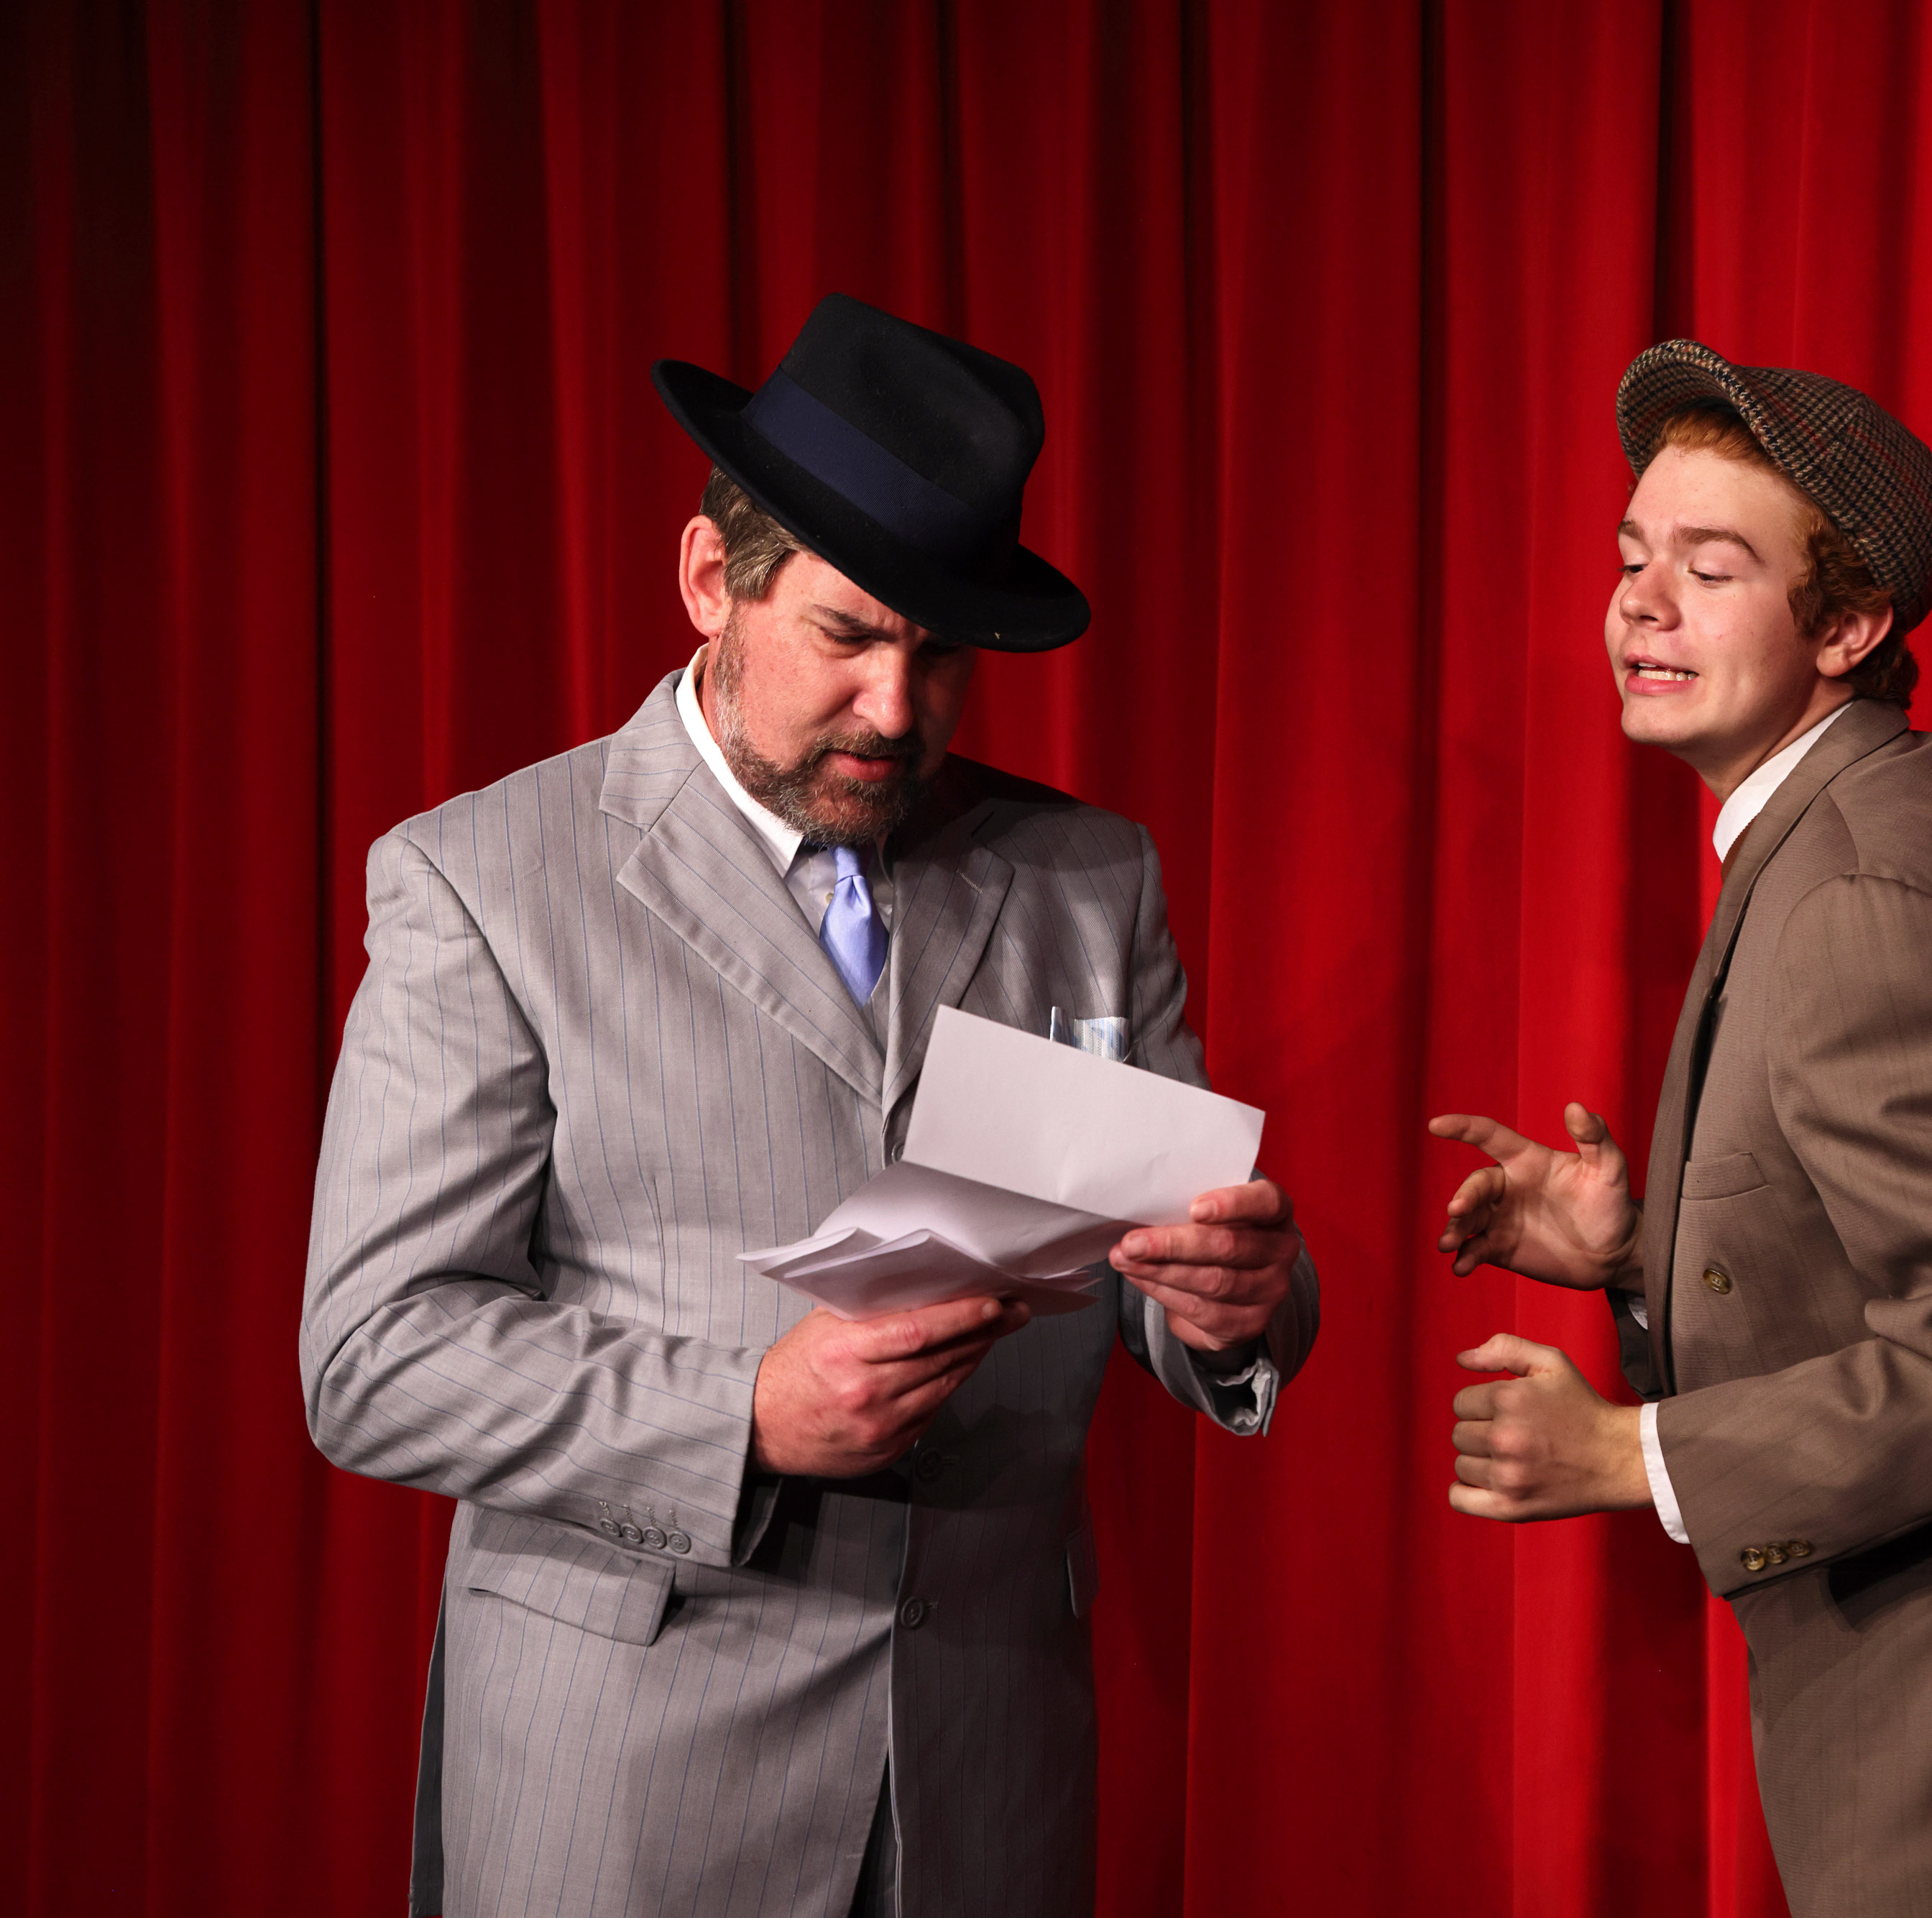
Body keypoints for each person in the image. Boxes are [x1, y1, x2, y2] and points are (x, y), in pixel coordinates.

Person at [302, 293, 1317, 1918]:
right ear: (712, 579)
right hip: (625, 1796)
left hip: (983, 1779)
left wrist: (1232, 1306)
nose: (898, 711)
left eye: (941, 654)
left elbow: (1161, 1254)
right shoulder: (482, 879)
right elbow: (375, 1354)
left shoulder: (1088, 875)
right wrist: (742, 1415)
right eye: (848, 635)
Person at [1430, 341, 1932, 1915]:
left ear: (1849, 626)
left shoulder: (1857, 887)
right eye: (1631, 556)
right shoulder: (1869, 819)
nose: (1639, 604)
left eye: (1708, 568)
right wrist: (1637, 1253)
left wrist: (1629, 1451)